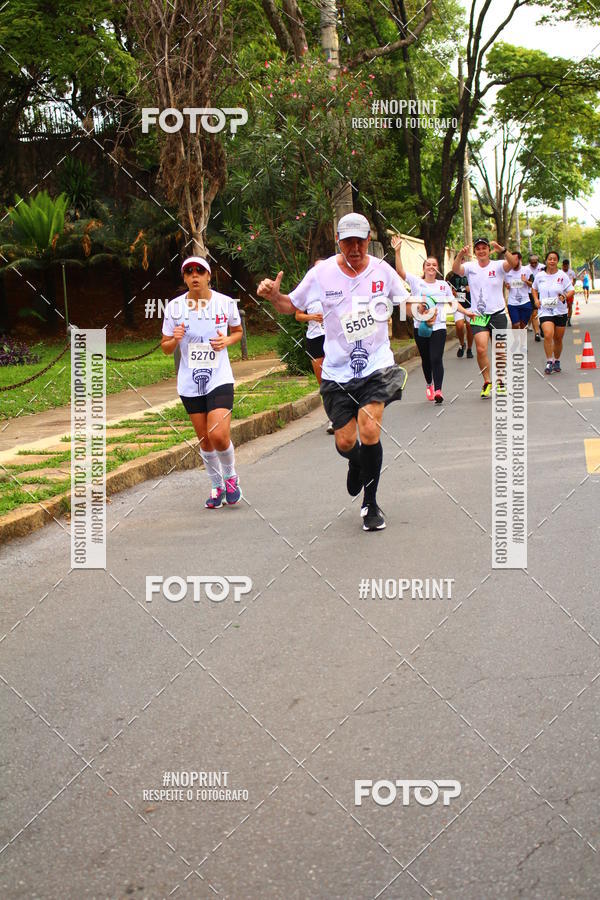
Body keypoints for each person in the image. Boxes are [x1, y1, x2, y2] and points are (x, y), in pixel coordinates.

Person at [257, 212, 408, 532]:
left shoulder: (382, 270)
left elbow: (407, 301)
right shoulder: (322, 273)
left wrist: (426, 306)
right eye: (348, 241)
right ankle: (356, 462)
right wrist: (274, 297)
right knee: (345, 442)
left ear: (369, 240)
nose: (355, 248)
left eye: (361, 241)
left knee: (370, 431)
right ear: (338, 242)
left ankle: (371, 503)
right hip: (337, 371)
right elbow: (291, 305)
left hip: (376, 366)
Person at [161, 256, 243, 508]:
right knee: (204, 439)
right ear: (184, 278)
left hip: (219, 377)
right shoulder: (174, 308)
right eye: (189, 272)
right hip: (190, 382)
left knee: (217, 434)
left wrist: (226, 341)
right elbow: (165, 347)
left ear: (209, 276)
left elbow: (237, 332)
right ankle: (216, 486)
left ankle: (230, 477)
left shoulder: (225, 303)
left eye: (199, 271)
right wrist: (174, 340)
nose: (194, 276)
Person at [392, 235, 474, 403]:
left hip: (438, 327)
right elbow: (400, 271)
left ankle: (438, 390)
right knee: (426, 359)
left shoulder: (443, 285)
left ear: (437, 269)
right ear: (424, 268)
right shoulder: (416, 282)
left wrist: (466, 312)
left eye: (434, 265)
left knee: (436, 358)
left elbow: (452, 302)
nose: (431, 267)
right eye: (428, 264)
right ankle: (429, 383)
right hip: (420, 326)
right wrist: (398, 251)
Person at [452, 238, 520, 397]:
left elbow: (513, 263)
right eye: (478, 249)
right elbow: (456, 269)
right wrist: (460, 255)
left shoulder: (498, 265)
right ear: (475, 252)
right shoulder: (470, 267)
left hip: (497, 314)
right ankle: (487, 381)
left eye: (484, 248)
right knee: (481, 349)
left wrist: (502, 250)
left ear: (489, 250)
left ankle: (501, 381)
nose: (481, 251)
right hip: (479, 316)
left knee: (500, 350)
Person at [294, 258, 334, 434]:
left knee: (338, 375)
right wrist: (312, 317)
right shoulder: (307, 291)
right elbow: (297, 315)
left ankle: (344, 412)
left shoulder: (336, 287)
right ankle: (332, 418)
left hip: (333, 336)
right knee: (323, 380)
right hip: (315, 338)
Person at [532, 250, 574, 374]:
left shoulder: (562, 275)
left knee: (558, 339)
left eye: (554, 259)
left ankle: (557, 360)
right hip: (545, 310)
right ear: (546, 260)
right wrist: (536, 299)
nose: (552, 261)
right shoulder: (540, 276)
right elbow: (534, 288)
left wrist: (564, 296)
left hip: (560, 310)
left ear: (557, 261)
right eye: (550, 259)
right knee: (548, 334)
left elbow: (571, 290)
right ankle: (549, 361)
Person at [446, 268, 474, 358]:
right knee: (459, 325)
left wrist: (471, 289)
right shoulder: (450, 275)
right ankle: (462, 345)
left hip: (470, 305)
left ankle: (469, 349)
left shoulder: (470, 274)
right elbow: (446, 289)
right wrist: (451, 293)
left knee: (470, 327)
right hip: (457, 305)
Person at [503, 251, 532, 330]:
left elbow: (533, 285)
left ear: (520, 260)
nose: (513, 262)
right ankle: (516, 340)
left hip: (525, 302)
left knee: (522, 325)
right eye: (511, 260)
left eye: (515, 260)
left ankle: (521, 341)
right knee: (516, 324)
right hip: (512, 303)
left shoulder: (527, 270)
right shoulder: (507, 272)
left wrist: (526, 281)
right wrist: (507, 286)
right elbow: (506, 284)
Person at [522, 254, 545, 341]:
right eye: (532, 263)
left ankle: (542, 326)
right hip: (531, 293)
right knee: (534, 313)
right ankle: (537, 333)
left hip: (542, 292)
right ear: (529, 262)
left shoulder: (543, 267)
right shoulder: (526, 269)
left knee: (543, 312)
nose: (534, 264)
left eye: (535, 262)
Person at [562, 259, 578, 325]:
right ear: (562, 265)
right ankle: (563, 318)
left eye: (566, 266)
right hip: (562, 292)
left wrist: (572, 286)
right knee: (562, 306)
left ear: (568, 265)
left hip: (569, 292)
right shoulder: (560, 272)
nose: (565, 267)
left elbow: (574, 279)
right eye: (564, 266)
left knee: (570, 305)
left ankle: (569, 319)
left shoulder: (572, 272)